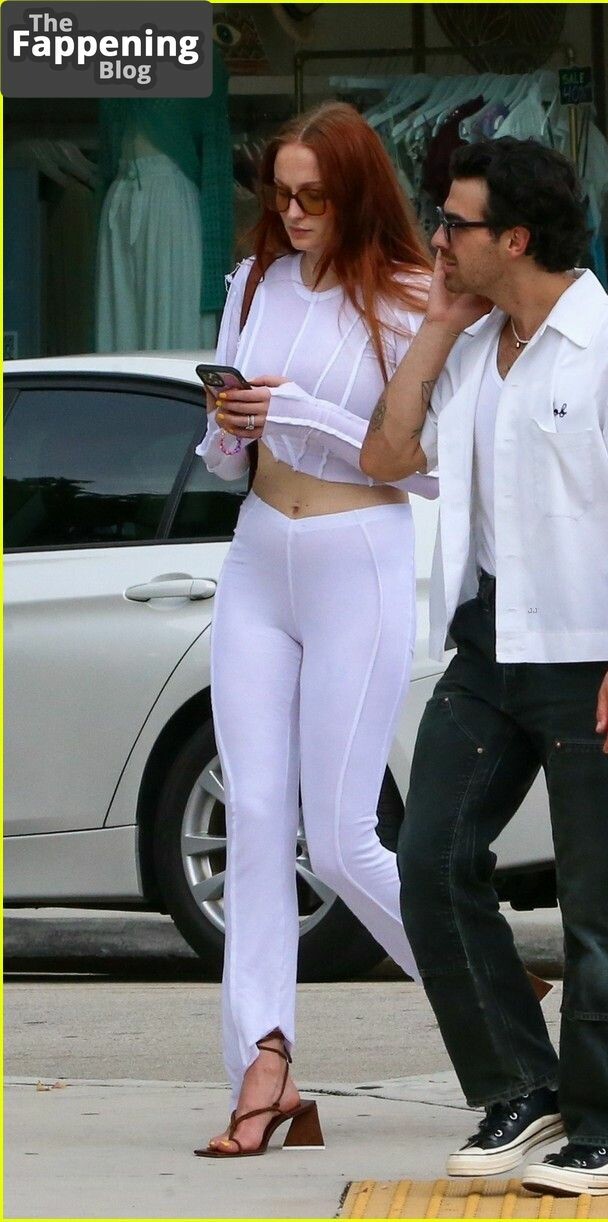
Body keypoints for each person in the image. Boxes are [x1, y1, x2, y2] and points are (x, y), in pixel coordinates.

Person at [360, 137, 608, 1196]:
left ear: (514, 237)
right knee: (429, 864)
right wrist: (434, 327)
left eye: (454, 223)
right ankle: (521, 1086)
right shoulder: (474, 348)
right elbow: (385, 458)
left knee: (597, 903)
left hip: (591, 658)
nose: (437, 239)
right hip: (486, 647)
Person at [191, 102, 436, 1157]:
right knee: (252, 816)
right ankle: (264, 1062)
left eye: (314, 198)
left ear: (356, 195)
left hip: (357, 556)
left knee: (339, 839)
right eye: (280, 195)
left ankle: (475, 981)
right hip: (258, 553)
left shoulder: (412, 297)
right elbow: (225, 456)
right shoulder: (253, 283)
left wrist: (300, 412)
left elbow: (424, 463)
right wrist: (230, 424)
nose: (292, 215)